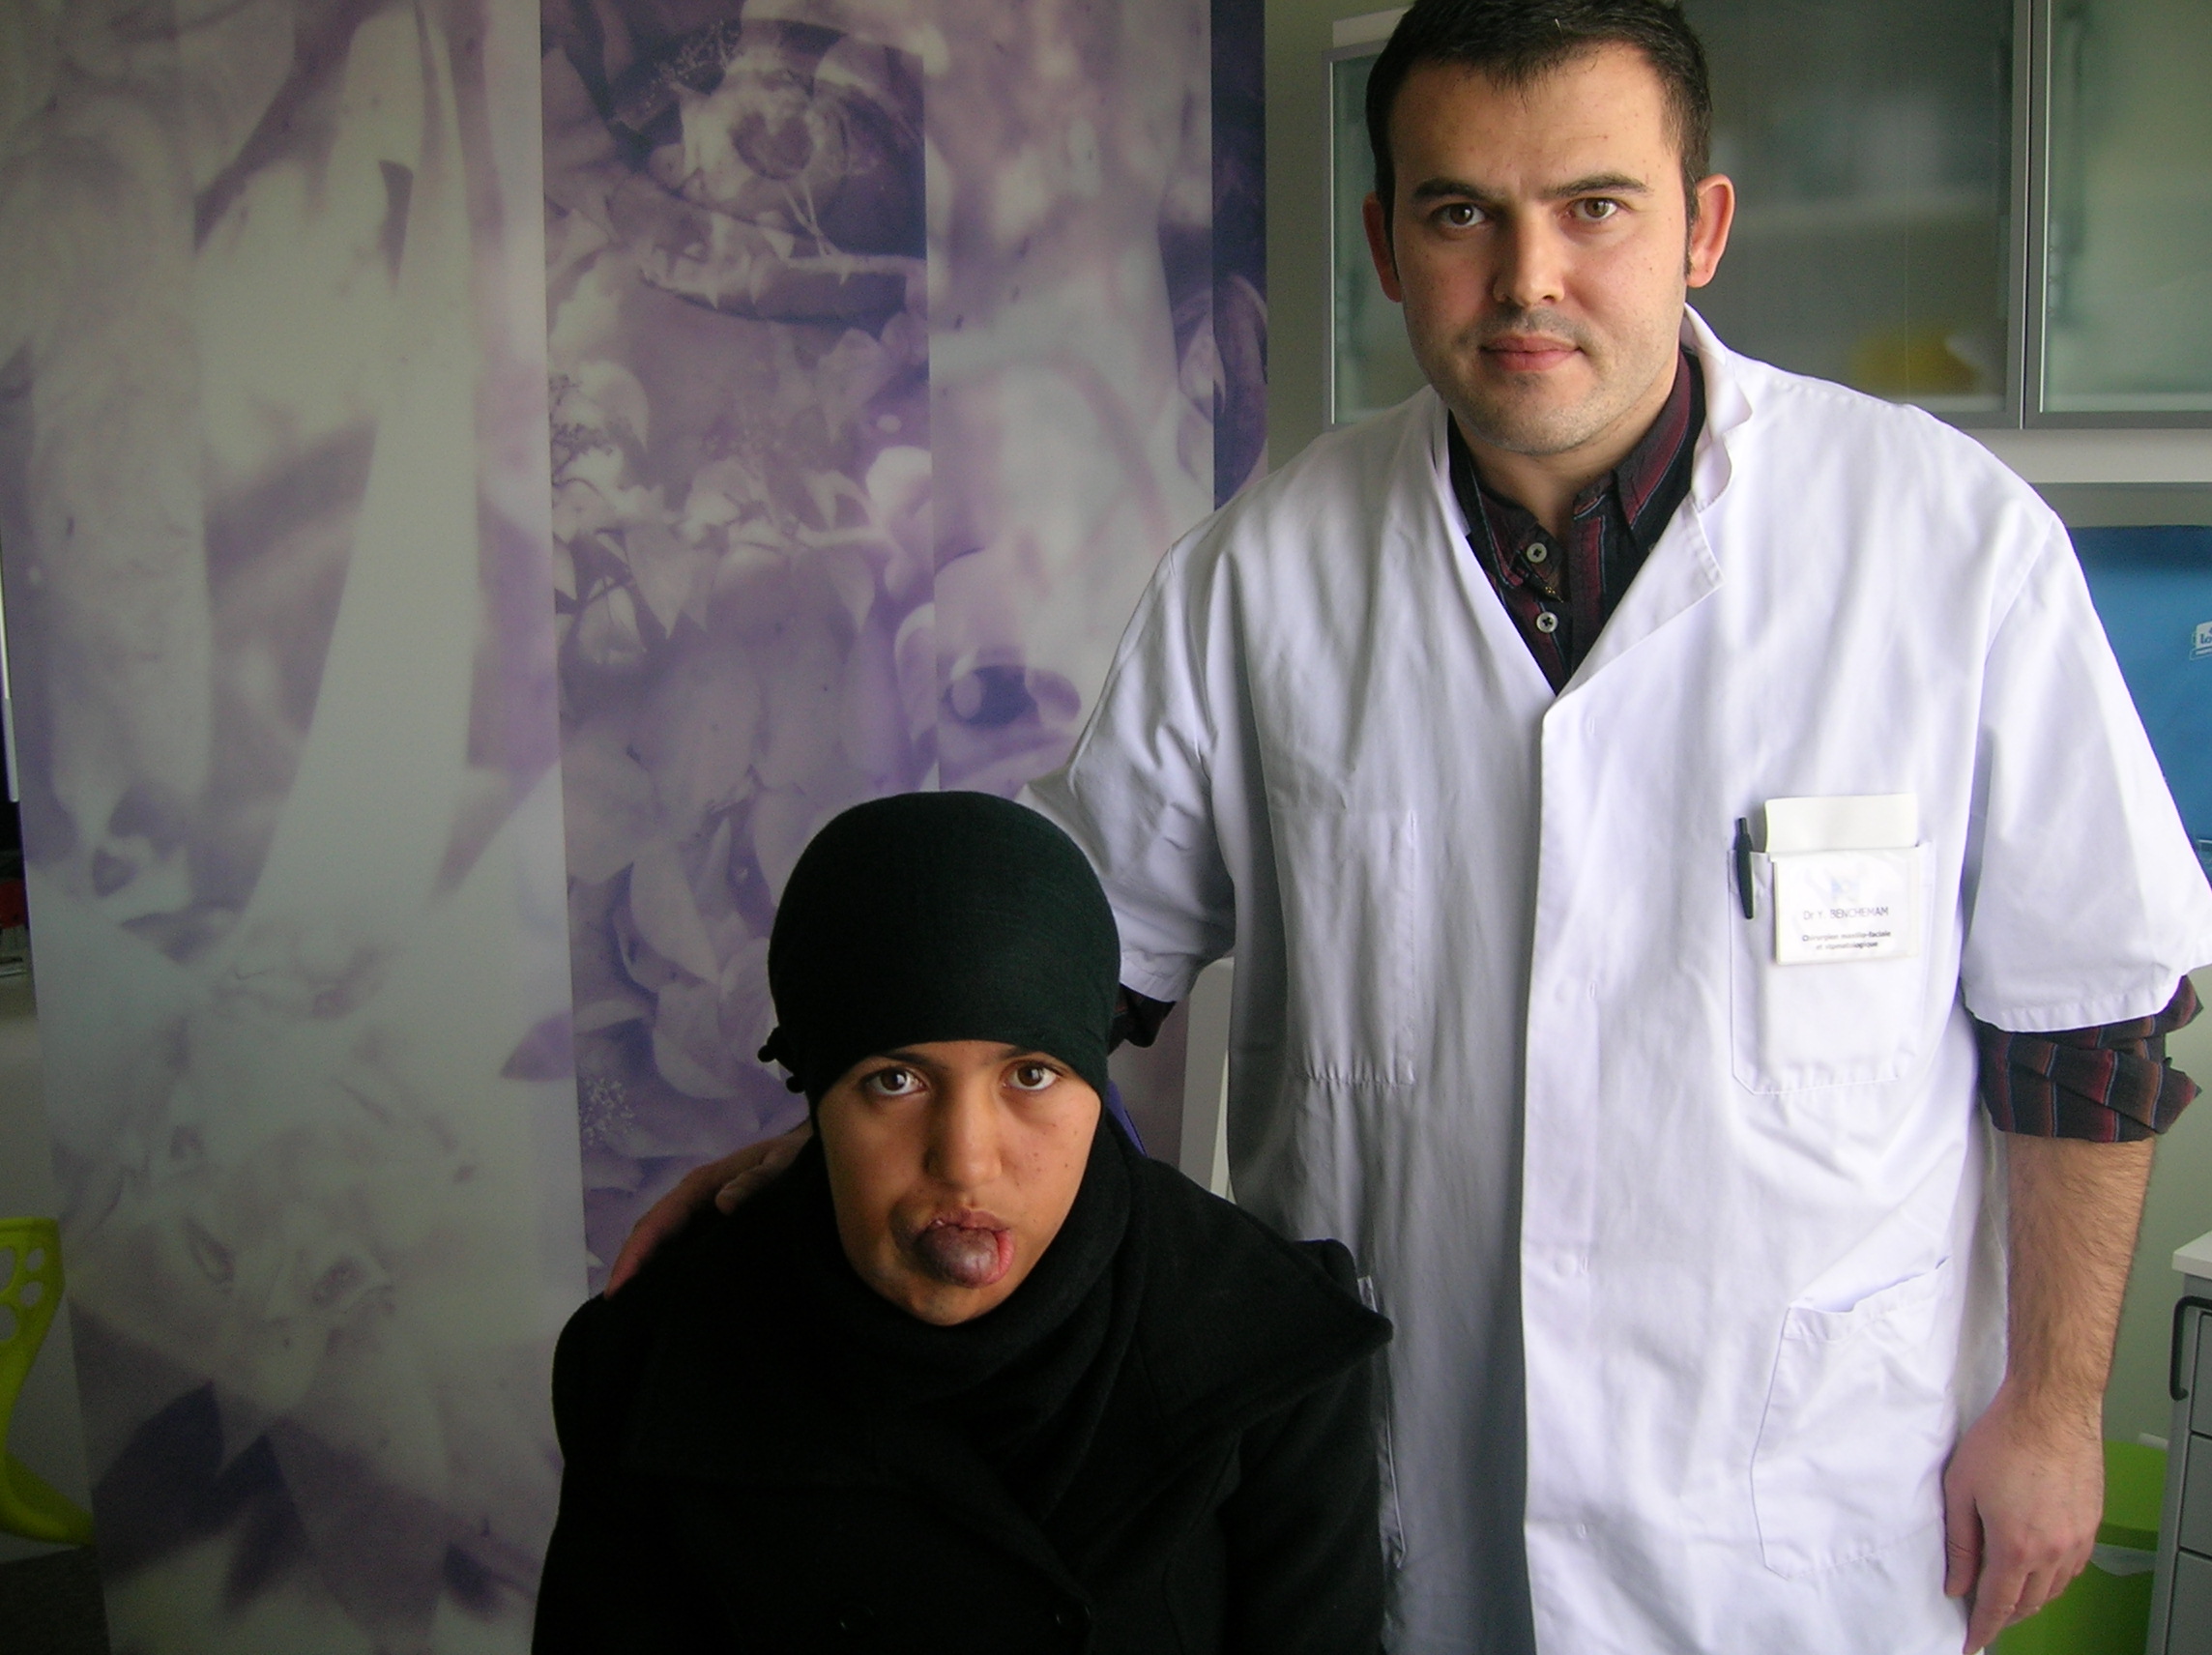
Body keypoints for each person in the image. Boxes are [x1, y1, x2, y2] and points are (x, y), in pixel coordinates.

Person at [611, 3, 2212, 1651]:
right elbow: (1065, 968)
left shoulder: (1943, 546)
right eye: (1461, 213)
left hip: (1798, 1506)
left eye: (1594, 207)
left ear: (1701, 228)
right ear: (1384, 245)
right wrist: (837, 1136)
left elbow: (2084, 1028)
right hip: (1393, 1482)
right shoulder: (1261, 576)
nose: (1527, 278)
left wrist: (2051, 1407)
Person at [538, 791, 1392, 1654]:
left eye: (1031, 1075)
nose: (966, 1161)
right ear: (816, 1093)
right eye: (894, 1081)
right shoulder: (650, 1370)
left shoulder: (1269, 1352)